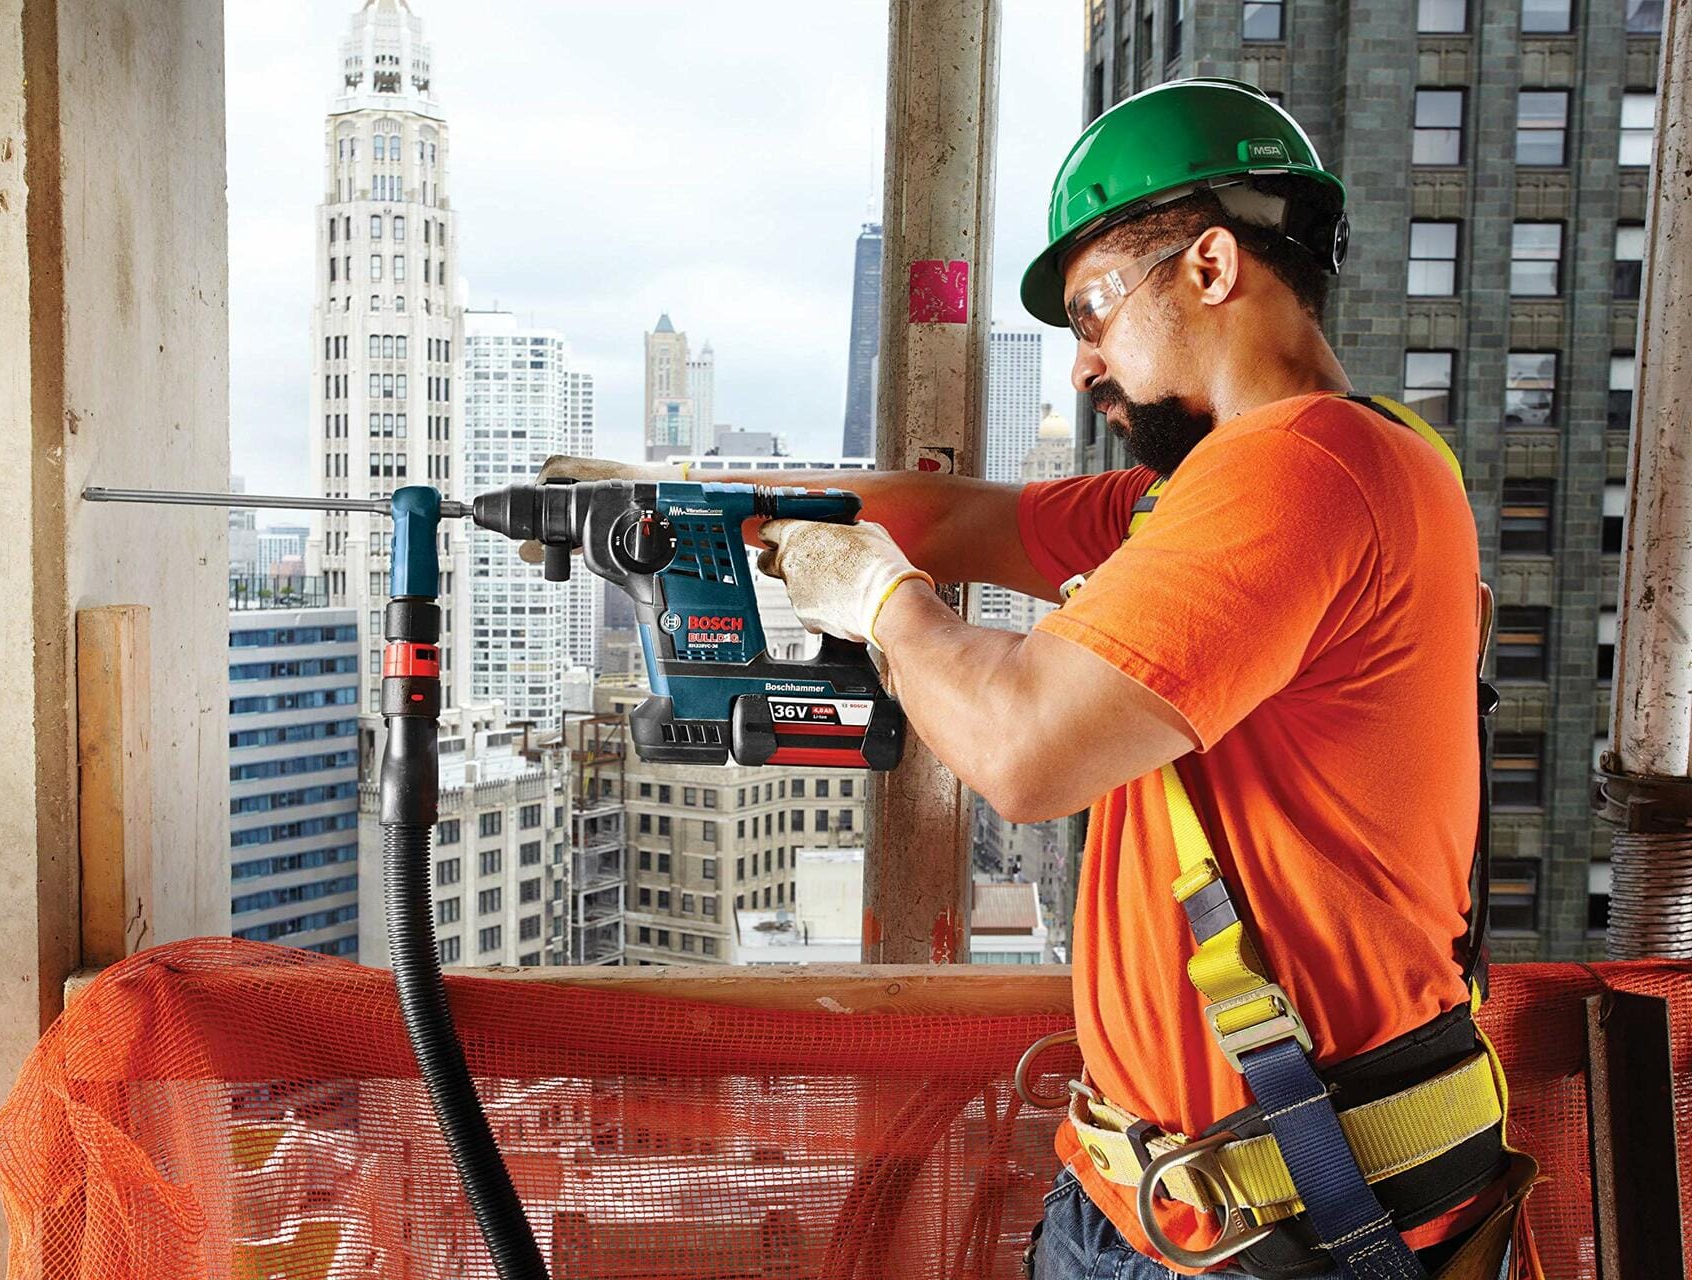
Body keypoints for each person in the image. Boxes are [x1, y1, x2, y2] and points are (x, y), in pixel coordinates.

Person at [534, 79, 1531, 1280]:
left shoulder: (1300, 472)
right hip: (1199, 1192)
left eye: (1094, 312)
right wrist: (680, 497)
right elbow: (958, 513)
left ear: (1211, 266)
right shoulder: (1258, 481)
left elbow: (1027, 747)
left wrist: (879, 600)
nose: (1082, 368)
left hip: (1276, 1225)